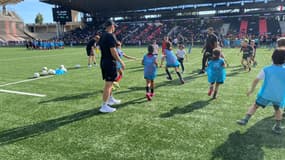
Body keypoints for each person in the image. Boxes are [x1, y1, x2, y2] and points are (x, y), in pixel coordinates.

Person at [236, 49, 285, 134]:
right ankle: (277, 126)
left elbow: (256, 80)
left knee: (255, 105)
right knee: (277, 109)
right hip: (278, 96)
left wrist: (251, 90)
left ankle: (245, 119)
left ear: (272, 58)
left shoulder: (266, 69)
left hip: (265, 94)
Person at [98, 20, 125, 113]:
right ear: (111, 26)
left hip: (104, 61)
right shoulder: (110, 36)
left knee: (110, 82)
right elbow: (113, 51)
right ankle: (104, 106)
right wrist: (121, 61)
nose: (115, 28)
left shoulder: (102, 36)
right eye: (114, 26)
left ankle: (110, 99)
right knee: (108, 84)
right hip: (109, 62)